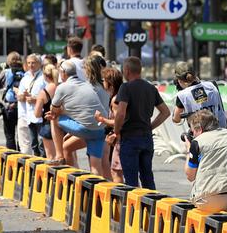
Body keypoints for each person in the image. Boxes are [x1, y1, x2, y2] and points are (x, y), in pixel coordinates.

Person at [113, 56, 170, 189]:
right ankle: (151, 207)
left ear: (126, 70)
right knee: (147, 177)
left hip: (130, 137)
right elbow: (165, 112)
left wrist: (116, 131)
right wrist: (151, 126)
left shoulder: (125, 87)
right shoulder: (150, 88)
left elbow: (121, 112)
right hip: (146, 137)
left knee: (131, 181)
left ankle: (133, 209)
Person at [48, 60, 108, 175]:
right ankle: (97, 191)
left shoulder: (62, 87)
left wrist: (58, 111)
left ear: (63, 73)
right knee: (95, 166)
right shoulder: (86, 84)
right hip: (101, 129)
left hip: (86, 128)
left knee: (54, 118)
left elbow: (54, 110)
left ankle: (59, 156)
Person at [185, 110, 227, 216]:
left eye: (193, 131)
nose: (193, 135)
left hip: (209, 200)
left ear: (199, 129)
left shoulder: (197, 142)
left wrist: (189, 150)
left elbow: (190, 175)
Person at [172, 62, 227, 129]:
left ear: (179, 80)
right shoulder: (212, 85)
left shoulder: (182, 95)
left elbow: (176, 119)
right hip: (222, 129)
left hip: (202, 135)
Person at [94, 68, 125, 183]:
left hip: (121, 139)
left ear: (110, 83)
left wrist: (101, 119)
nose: (103, 83)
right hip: (124, 138)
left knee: (116, 171)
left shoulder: (115, 99)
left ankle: (119, 199)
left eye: (104, 80)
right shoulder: (120, 95)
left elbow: (118, 121)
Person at [0, 52, 24, 150]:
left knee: (10, 135)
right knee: (21, 135)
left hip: (9, 107)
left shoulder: (6, 72)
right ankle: (21, 154)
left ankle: (12, 155)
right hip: (22, 106)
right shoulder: (25, 71)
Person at [15, 54, 44, 156]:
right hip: (29, 116)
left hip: (41, 116)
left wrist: (35, 99)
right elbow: (20, 97)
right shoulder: (25, 78)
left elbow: (49, 95)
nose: (31, 65)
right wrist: (23, 96)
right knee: (34, 144)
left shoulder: (43, 77)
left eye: (33, 63)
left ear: (39, 64)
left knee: (42, 144)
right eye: (29, 63)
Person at [33, 64, 59, 161]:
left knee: (51, 158)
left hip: (48, 125)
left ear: (44, 76)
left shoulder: (44, 92)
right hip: (63, 124)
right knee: (66, 157)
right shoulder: (61, 88)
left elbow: (37, 114)